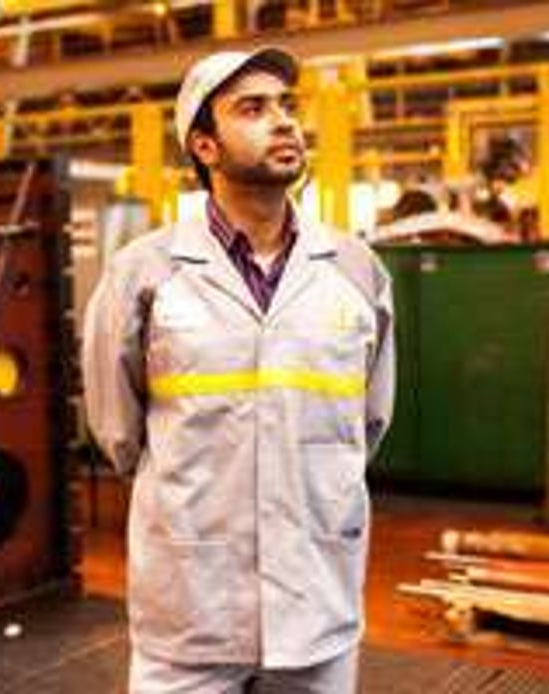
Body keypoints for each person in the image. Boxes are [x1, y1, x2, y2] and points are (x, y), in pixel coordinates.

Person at [81, 46, 395, 693]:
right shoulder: (144, 273)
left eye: (285, 106)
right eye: (251, 109)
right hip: (192, 604)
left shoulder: (354, 270)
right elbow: (118, 431)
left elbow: (368, 422)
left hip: (316, 594)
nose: (282, 122)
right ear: (204, 146)